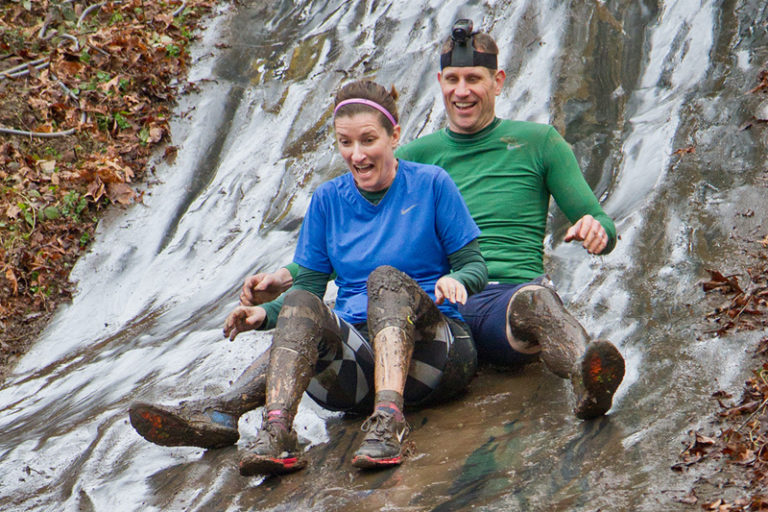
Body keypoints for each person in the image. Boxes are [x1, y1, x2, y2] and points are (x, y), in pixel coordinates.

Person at [130, 18, 625, 460]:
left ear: (497, 80)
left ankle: (586, 372)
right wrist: (284, 283)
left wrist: (596, 229)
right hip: (423, 300)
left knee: (532, 299)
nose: (462, 91)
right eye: (452, 80)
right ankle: (224, 413)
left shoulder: (536, 143)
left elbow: (596, 218)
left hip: (492, 298)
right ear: (439, 84)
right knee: (318, 316)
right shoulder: (409, 156)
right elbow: (357, 236)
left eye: (473, 78)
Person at [130, 80, 488, 474]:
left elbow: (475, 266)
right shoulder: (327, 200)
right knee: (302, 304)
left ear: (394, 136)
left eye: (368, 140)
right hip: (360, 371)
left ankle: (391, 422)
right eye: (345, 142)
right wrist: (265, 316)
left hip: (434, 356)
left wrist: (459, 281)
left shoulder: (432, 184)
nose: (357, 154)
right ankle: (277, 433)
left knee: (384, 279)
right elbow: (309, 293)